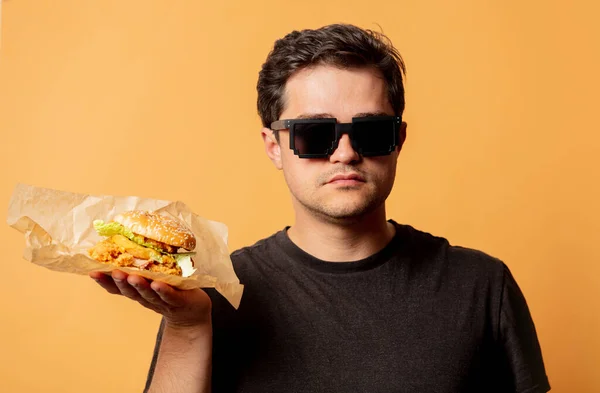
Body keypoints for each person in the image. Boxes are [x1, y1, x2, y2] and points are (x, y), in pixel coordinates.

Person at [90, 23, 551, 393]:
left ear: (398, 141)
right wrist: (188, 325)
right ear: (274, 146)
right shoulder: (215, 289)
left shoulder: (482, 286)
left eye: (370, 133)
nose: (345, 153)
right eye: (315, 133)